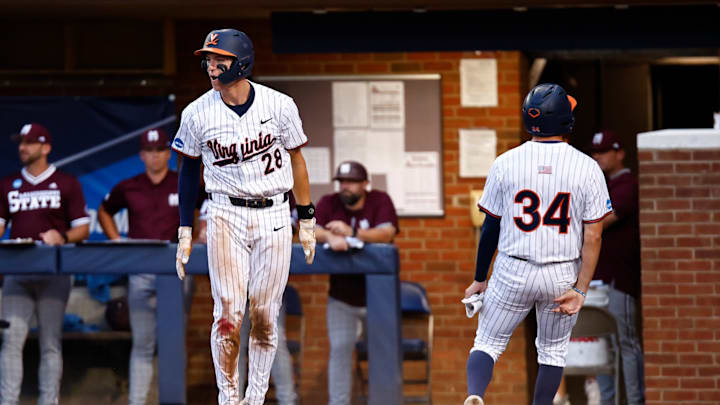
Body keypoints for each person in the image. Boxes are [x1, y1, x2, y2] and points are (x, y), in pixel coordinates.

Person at [171, 28, 316, 405]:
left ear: (243, 63)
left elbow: (298, 161)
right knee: (229, 312)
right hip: (224, 212)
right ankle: (228, 397)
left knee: (267, 313)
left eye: (221, 59)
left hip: (275, 213)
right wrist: (185, 227)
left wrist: (308, 217)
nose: (212, 66)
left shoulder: (279, 105)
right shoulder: (196, 112)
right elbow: (188, 171)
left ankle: (256, 397)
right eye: (209, 59)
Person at [463, 83, 611, 405]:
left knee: (488, 342)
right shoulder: (587, 166)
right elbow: (594, 235)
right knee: (553, 351)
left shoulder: (505, 162)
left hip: (513, 267)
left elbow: (490, 226)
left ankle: (475, 394)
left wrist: (479, 277)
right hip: (560, 271)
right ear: (564, 121)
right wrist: (581, 290)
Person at [97, 128, 194, 405]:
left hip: (177, 271)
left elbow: (210, 205)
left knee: (173, 343)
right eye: (150, 151)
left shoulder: (183, 182)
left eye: (161, 150)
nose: (155, 155)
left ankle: (175, 400)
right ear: (142, 155)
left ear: (169, 153)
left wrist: (202, 234)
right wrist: (116, 240)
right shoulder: (129, 185)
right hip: (140, 271)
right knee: (142, 343)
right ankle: (137, 402)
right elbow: (105, 210)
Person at [0, 123, 90, 405]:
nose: (22, 147)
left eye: (29, 142)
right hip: (17, 274)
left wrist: (61, 236)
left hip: (53, 273)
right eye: (20, 142)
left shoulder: (66, 182)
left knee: (50, 342)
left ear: (45, 147)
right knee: (11, 341)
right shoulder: (7, 184)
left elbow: (83, 228)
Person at [314, 161, 399, 405]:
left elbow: (387, 233)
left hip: (378, 299)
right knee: (340, 352)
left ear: (365, 184)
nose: (345, 187)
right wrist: (330, 235)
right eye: (342, 182)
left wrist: (350, 232)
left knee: (382, 355)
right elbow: (308, 230)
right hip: (342, 297)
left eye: (351, 182)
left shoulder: (379, 200)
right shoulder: (328, 202)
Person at [590, 130, 645, 405]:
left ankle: (636, 402)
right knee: (602, 346)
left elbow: (599, 221)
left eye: (604, 150)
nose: (598, 155)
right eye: (595, 151)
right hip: (597, 281)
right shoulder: (602, 184)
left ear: (619, 152)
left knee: (626, 343)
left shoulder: (627, 184)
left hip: (619, 281)